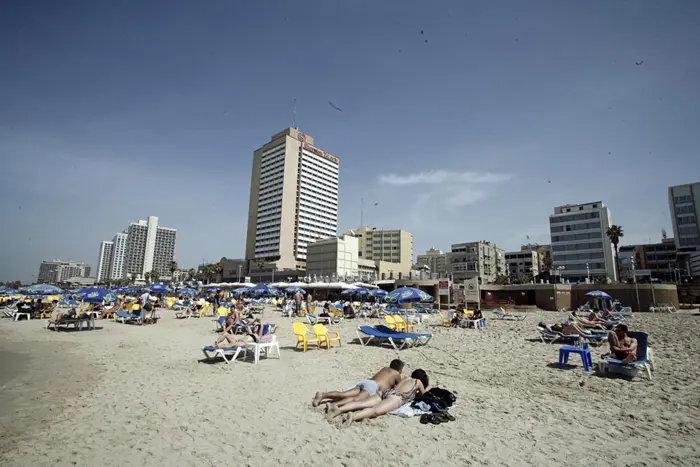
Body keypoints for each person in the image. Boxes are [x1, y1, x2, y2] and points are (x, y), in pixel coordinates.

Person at [334, 370, 429, 424]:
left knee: (362, 403)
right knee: (375, 410)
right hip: (396, 397)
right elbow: (423, 395)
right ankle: (354, 417)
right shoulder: (418, 382)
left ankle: (339, 409)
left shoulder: (405, 377)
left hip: (386, 392)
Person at [312, 359, 405, 408]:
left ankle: (323, 395)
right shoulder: (396, 374)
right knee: (357, 399)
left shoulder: (384, 369)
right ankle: (334, 405)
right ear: (400, 369)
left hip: (367, 382)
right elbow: (400, 388)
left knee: (343, 394)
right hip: (373, 386)